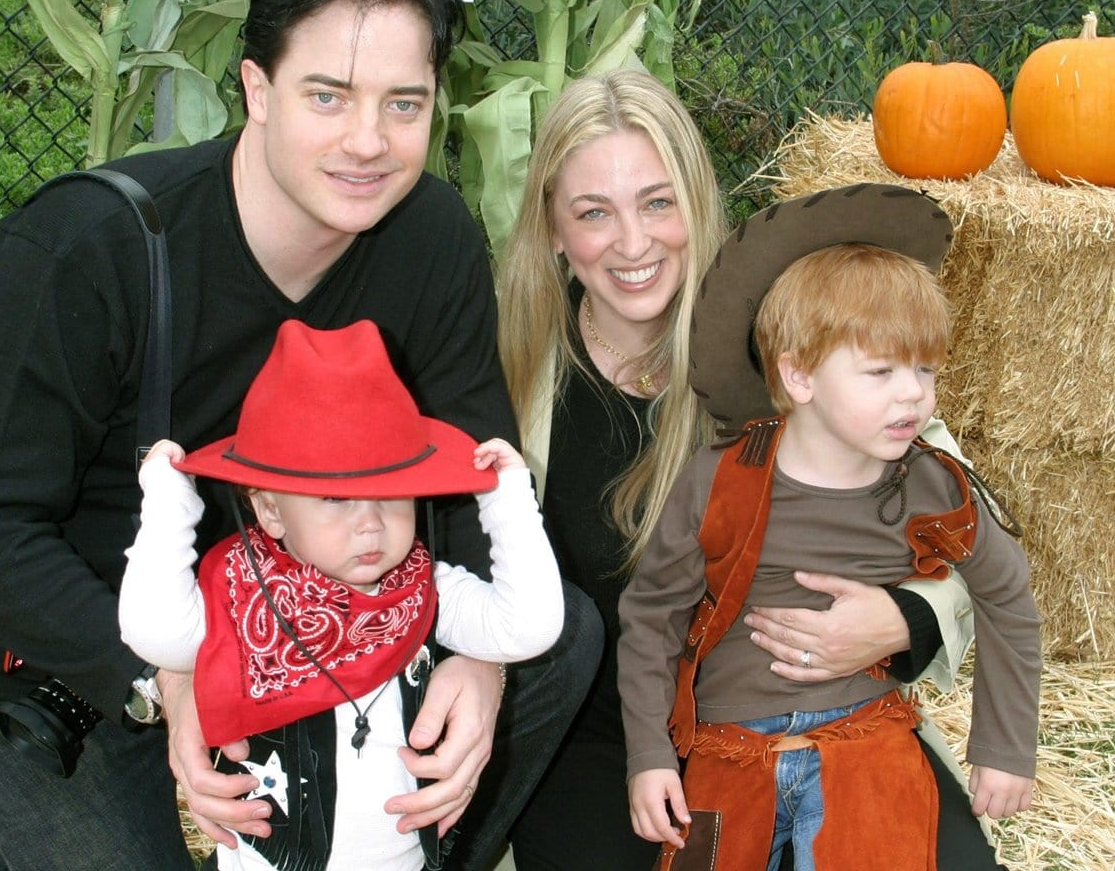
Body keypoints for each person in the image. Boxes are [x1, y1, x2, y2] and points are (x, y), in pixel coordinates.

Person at [0, 0, 599, 871]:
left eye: (404, 103)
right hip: (84, 651)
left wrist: (482, 661)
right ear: (256, 91)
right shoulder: (85, 248)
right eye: (329, 96)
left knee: (559, 640)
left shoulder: (429, 237)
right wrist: (168, 675)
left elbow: (475, 469)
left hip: (331, 611)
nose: (369, 141)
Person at [496, 72, 1001, 871]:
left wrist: (908, 616)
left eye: (658, 203)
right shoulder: (513, 365)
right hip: (603, 742)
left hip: (805, 714)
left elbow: (973, 513)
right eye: (594, 213)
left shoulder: (778, 334)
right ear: (555, 230)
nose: (633, 243)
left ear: (697, 204)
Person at [618, 190, 1042, 870]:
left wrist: (1004, 747)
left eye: (925, 369)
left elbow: (1008, 600)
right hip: (729, 747)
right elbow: (650, 621)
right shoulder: (718, 479)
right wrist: (648, 757)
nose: (914, 393)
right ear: (799, 375)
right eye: (881, 372)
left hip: (865, 739)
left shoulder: (930, 485)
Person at [120, 319, 565, 871]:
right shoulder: (243, 600)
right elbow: (153, 630)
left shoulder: (422, 590)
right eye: (335, 499)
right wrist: (168, 503)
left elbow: (528, 626)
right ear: (270, 511)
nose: (371, 525)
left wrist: (507, 500)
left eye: (393, 496)